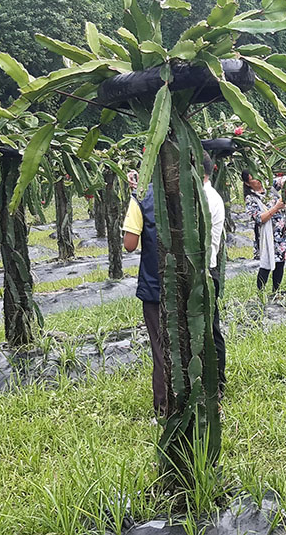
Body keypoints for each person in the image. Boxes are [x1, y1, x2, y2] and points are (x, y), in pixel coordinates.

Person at [121, 171, 168, 416]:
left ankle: (164, 408)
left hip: (154, 285)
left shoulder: (141, 197)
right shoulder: (190, 191)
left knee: (160, 348)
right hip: (185, 284)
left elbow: (129, 245)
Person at [201, 153, 227, 393]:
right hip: (206, 268)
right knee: (209, 326)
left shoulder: (204, 197)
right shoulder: (208, 195)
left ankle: (217, 380)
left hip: (205, 270)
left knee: (209, 329)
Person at [242, 170, 286, 292]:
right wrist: (276, 207)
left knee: (280, 262)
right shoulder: (250, 198)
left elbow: (284, 180)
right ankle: (260, 292)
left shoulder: (270, 188)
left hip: (280, 234)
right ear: (247, 183)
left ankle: (276, 291)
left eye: (258, 177)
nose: (258, 180)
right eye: (253, 179)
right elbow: (259, 218)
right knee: (266, 263)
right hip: (265, 236)